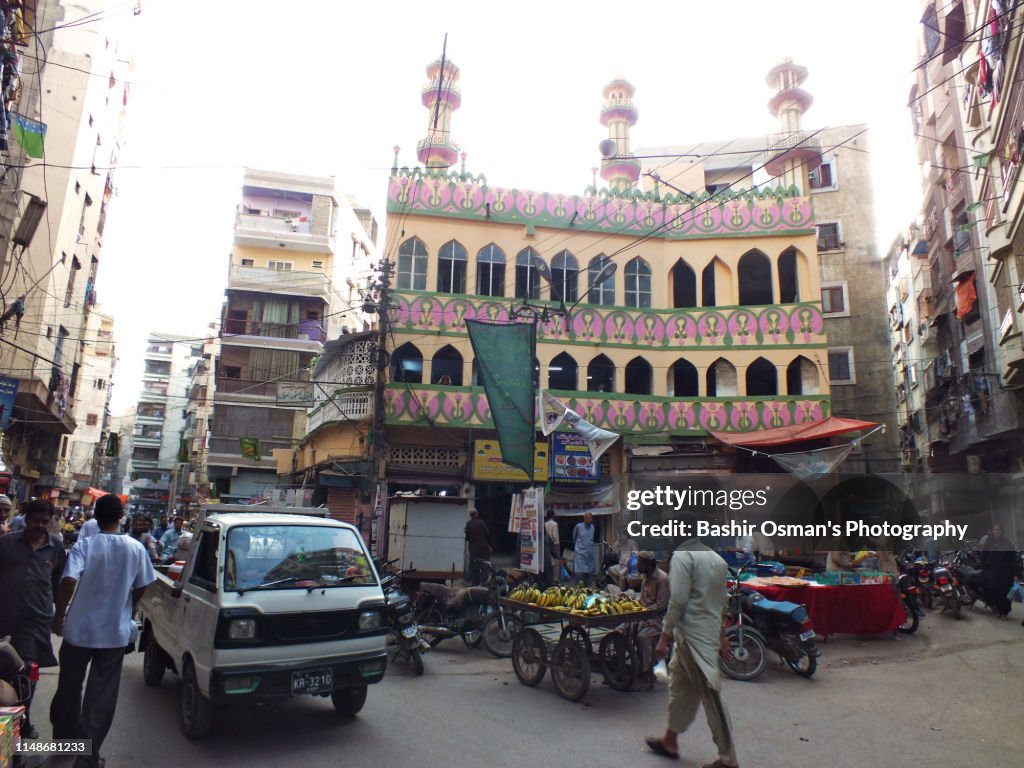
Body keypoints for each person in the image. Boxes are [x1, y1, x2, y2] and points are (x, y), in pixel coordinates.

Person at [51, 493, 155, 768]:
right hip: (113, 634)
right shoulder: (135, 549)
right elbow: (143, 584)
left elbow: (69, 579)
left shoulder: (85, 545)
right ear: (122, 517)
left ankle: (64, 742)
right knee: (102, 696)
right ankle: (88, 756)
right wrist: (129, 608)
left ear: (96, 517)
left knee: (69, 688)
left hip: (78, 631)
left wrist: (59, 614)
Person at [646, 512, 739, 768]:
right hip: (697, 637)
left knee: (711, 695)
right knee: (680, 688)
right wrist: (721, 636)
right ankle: (670, 739)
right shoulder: (717, 560)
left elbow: (677, 601)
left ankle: (728, 760)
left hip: (695, 639)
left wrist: (663, 638)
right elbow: (724, 602)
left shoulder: (682, 557)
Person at [0, 499, 67, 739]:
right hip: (5, 618)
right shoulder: (6, 543)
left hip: (36, 622)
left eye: (45, 521)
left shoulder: (56, 547)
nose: (40, 525)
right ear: (26, 519)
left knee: (29, 673)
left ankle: (23, 721)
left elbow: (60, 583)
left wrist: (59, 616)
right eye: (36, 520)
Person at [633, 551, 670, 687]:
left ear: (647, 565)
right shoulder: (645, 576)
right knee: (621, 630)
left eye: (639, 562)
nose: (637, 565)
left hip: (657, 619)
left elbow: (661, 605)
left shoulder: (662, 579)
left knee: (642, 638)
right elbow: (643, 600)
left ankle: (646, 671)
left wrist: (643, 611)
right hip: (642, 616)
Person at [979, 524, 1016, 620]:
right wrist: (985, 566)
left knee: (1005, 593)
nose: (996, 531)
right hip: (992, 573)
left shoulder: (1007, 543)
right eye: (994, 529)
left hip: (1005, 574)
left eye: (998, 529)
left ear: (1001, 531)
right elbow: (984, 556)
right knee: (994, 592)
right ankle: (998, 610)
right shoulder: (989, 542)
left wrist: (1015, 573)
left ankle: (1004, 612)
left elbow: (1012, 559)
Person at [464, 507, 492, 586]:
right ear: (476, 514)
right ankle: (483, 583)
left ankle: (474, 584)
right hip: (483, 547)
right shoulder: (481, 522)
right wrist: (489, 545)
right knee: (485, 565)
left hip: (473, 548)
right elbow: (488, 534)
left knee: (474, 567)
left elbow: (467, 538)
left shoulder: (468, 524)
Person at [572, 512, 597, 587]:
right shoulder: (578, 527)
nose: (591, 520)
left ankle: (587, 589)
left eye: (591, 518)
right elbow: (574, 538)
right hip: (580, 553)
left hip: (589, 554)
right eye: (589, 518)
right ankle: (577, 589)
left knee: (590, 573)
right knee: (579, 573)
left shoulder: (592, 527)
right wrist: (578, 547)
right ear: (585, 518)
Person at [544, 511, 560, 586]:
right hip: (553, 545)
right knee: (556, 564)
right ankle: (555, 581)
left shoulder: (545, 524)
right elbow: (555, 537)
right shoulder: (554, 524)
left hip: (546, 545)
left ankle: (549, 580)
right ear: (553, 516)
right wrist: (557, 548)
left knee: (549, 563)